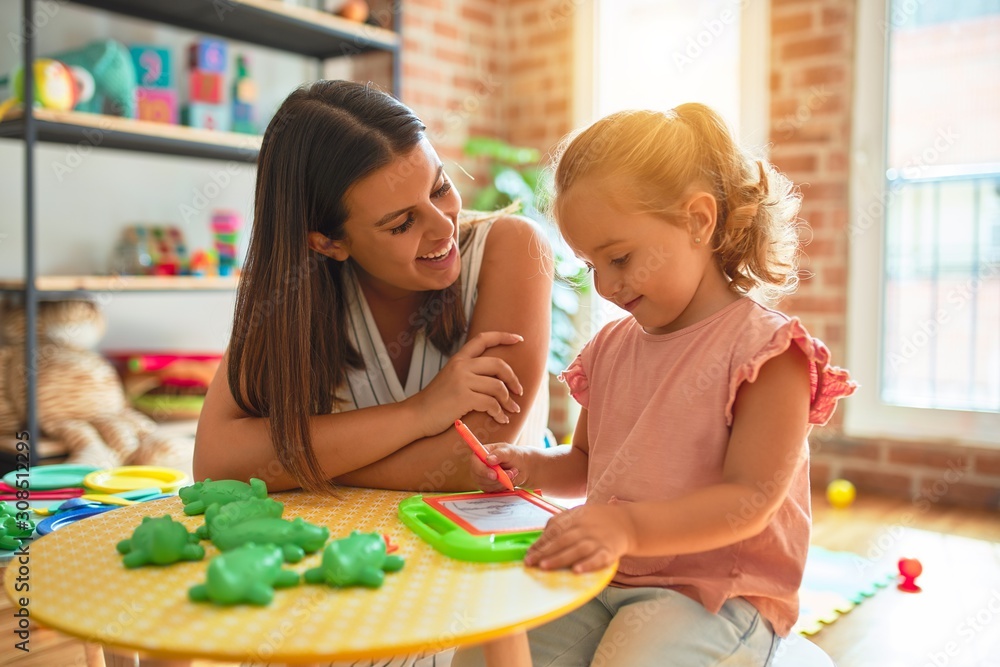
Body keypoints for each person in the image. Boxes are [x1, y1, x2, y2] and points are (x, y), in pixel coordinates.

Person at [454, 104, 857, 667]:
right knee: (486, 646)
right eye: (591, 265)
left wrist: (624, 526)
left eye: (619, 257)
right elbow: (589, 462)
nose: (607, 286)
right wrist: (532, 466)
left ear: (698, 220)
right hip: (611, 573)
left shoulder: (767, 352)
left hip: (715, 593)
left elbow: (750, 502)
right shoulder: (612, 349)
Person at [194, 80, 553, 496]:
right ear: (328, 243)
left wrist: (304, 466)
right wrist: (418, 414)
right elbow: (215, 460)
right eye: (401, 223)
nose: (443, 226)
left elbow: (473, 462)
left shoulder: (512, 247)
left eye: (440, 188)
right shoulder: (292, 293)